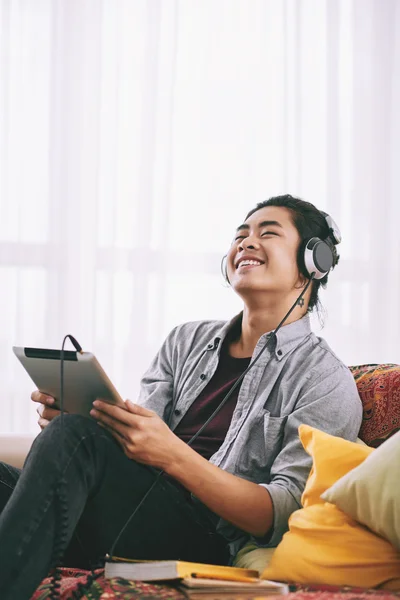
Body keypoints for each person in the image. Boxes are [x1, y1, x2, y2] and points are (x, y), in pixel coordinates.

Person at [0, 194, 362, 599]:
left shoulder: (324, 380)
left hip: (203, 539)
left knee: (75, 438)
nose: (245, 242)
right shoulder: (185, 341)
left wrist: (171, 454)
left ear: (313, 264)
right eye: (240, 235)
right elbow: (131, 448)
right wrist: (89, 421)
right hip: (129, 511)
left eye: (268, 233)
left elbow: (281, 513)